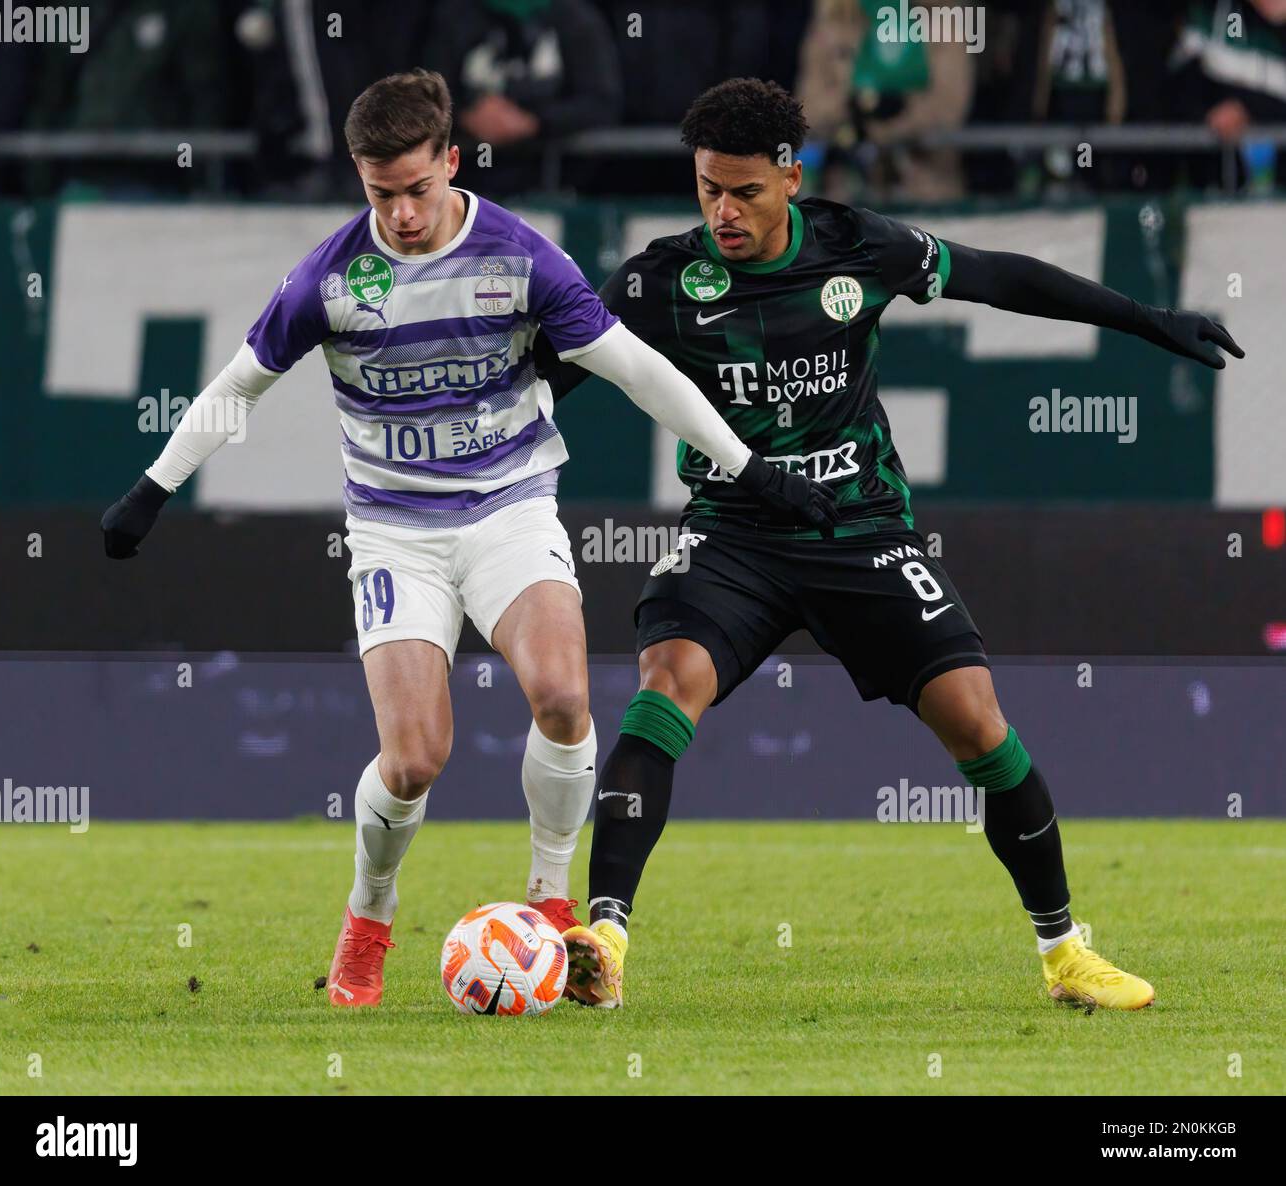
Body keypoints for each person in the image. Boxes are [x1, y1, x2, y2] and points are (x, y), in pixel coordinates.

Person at [99, 69, 835, 1008]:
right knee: (413, 760)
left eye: (416, 189)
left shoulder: (520, 257)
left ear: (452, 161)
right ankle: (368, 918)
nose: (401, 215)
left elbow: (637, 371)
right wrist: (152, 490)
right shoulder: (330, 277)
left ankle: (553, 904)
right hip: (396, 535)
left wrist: (748, 466)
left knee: (565, 697)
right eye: (379, 195)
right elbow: (238, 386)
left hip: (509, 510)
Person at [545, 77, 1243, 1011]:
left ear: (792, 176)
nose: (723, 210)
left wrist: (1147, 321)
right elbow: (554, 369)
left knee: (978, 721)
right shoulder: (659, 280)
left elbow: (1001, 277)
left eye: (745, 190)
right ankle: (605, 939)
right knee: (665, 686)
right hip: (733, 535)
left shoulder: (858, 245)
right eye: (708, 187)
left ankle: (1066, 952)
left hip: (860, 529)